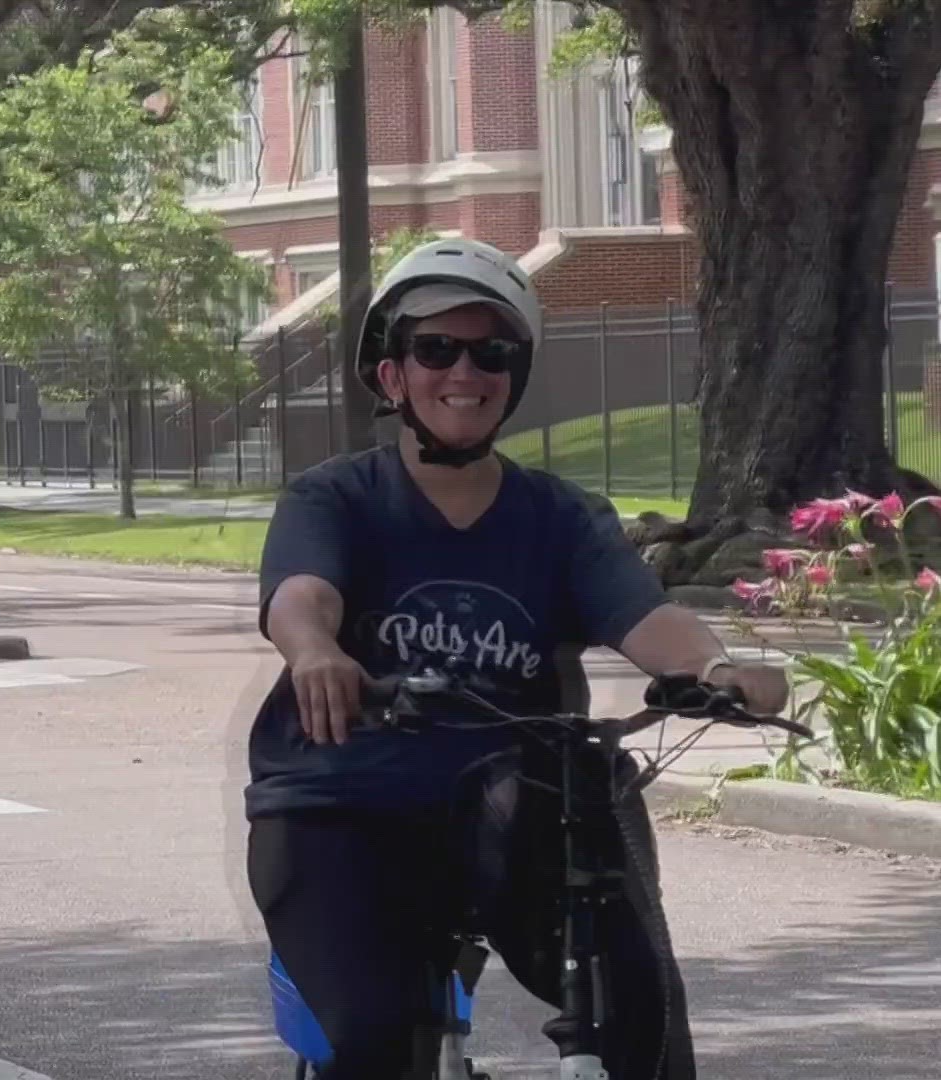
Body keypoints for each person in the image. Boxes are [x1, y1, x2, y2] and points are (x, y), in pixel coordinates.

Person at [246, 239, 790, 1079]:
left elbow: (644, 614)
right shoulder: (335, 498)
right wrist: (316, 651)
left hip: (514, 810)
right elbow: (301, 596)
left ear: (514, 375)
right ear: (393, 377)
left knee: (637, 1015)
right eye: (436, 348)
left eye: (491, 351)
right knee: (370, 1041)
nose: (466, 369)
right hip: (339, 803)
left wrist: (717, 672)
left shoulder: (561, 517)